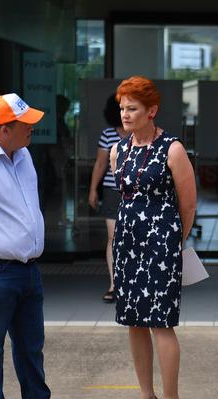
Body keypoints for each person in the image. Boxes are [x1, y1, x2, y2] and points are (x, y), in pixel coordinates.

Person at [0, 93, 86, 399]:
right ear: (4, 129)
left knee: (31, 345)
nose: (33, 127)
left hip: (28, 269)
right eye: (26, 123)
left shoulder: (25, 155)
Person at [110, 76, 197, 399]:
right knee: (134, 322)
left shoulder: (172, 149)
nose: (126, 114)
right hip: (128, 244)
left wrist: (173, 240)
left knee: (161, 323)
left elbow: (188, 203)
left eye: (133, 108)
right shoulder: (119, 150)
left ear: (152, 111)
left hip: (160, 246)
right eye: (122, 108)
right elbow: (125, 197)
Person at [88, 94, 129, 303]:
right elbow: (100, 164)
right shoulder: (108, 134)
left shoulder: (142, 133)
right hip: (113, 192)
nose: (126, 113)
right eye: (123, 109)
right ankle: (114, 284)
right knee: (113, 238)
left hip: (137, 192)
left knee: (136, 238)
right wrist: (93, 189)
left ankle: (133, 283)